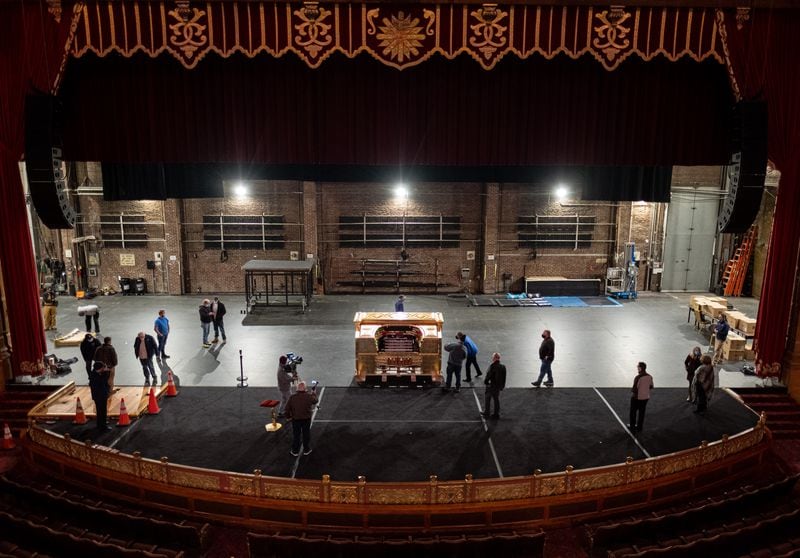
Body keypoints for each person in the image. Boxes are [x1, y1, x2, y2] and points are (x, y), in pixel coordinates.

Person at [284, 381, 318, 456]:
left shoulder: (292, 397)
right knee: (306, 434)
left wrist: (288, 417)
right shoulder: (309, 396)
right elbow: (315, 401)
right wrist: (314, 393)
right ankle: (306, 449)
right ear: (305, 388)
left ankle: (295, 451)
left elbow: (286, 409)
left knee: (296, 435)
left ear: (297, 389)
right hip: (306, 419)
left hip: (296, 420)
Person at [628, 362, 654, 432]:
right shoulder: (650, 376)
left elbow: (634, 389)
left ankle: (632, 427)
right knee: (642, 413)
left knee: (633, 413)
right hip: (645, 398)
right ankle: (640, 427)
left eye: (638, 367)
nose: (637, 368)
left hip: (637, 398)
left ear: (640, 368)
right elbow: (651, 386)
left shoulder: (638, 377)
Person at [481, 352, 506, 419]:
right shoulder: (503, 367)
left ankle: (487, 412)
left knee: (487, 398)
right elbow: (504, 377)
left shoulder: (492, 366)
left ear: (494, 358)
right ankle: (496, 414)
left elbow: (488, 376)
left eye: (493, 357)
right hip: (498, 386)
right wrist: (502, 386)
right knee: (496, 399)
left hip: (492, 386)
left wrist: (486, 382)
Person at [89, 361, 111, 431]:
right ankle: (103, 426)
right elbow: (104, 381)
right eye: (103, 367)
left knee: (99, 411)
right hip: (100, 396)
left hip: (97, 396)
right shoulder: (97, 376)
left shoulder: (93, 374)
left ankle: (100, 424)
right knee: (102, 411)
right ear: (100, 368)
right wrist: (106, 372)